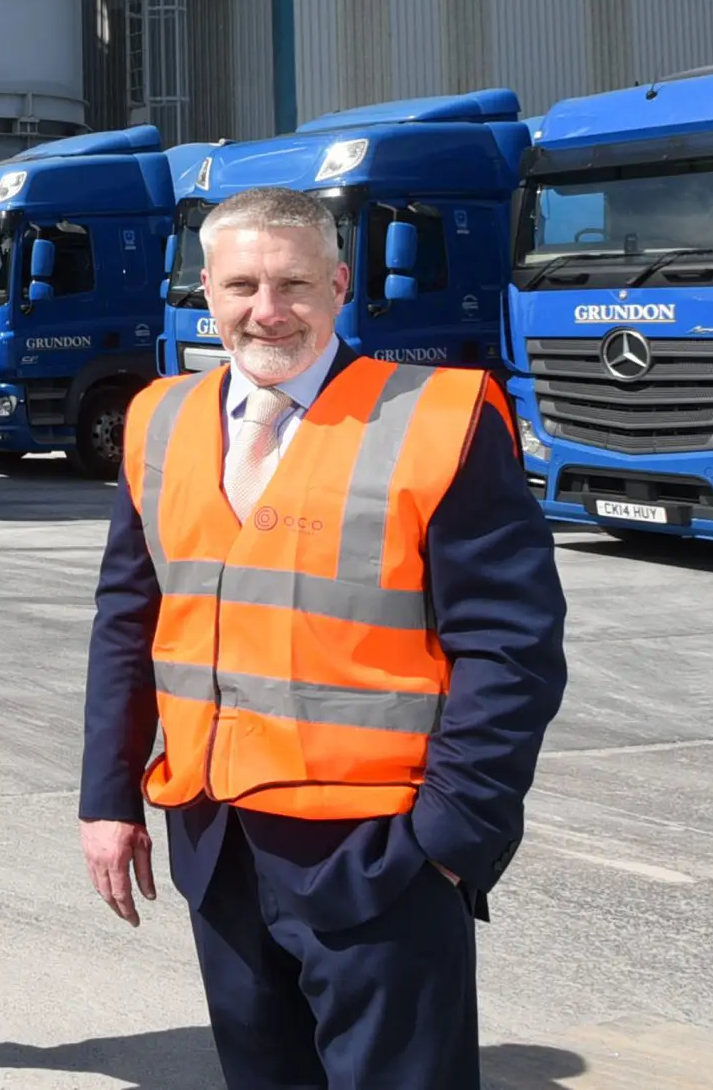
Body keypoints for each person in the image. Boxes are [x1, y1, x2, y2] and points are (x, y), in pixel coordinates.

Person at [78, 186, 567, 1090]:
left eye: (294, 283)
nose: (267, 311)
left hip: (378, 851)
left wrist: (449, 839)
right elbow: (128, 622)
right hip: (214, 836)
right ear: (205, 291)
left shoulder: (440, 416)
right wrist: (108, 797)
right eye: (240, 286)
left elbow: (512, 647)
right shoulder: (161, 418)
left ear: (340, 285)